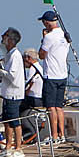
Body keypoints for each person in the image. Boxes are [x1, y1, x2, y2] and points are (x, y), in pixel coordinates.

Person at [0, 27, 25, 157]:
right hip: (7, 93)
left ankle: (19, 148)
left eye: (4, 36)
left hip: (14, 94)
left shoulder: (15, 55)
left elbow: (11, 76)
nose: (2, 39)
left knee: (15, 121)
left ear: (10, 39)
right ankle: (8, 147)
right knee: (7, 121)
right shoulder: (9, 55)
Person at [38, 10, 71, 143]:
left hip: (51, 75)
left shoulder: (49, 37)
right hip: (62, 74)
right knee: (59, 107)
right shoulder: (65, 35)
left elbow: (41, 55)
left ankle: (55, 135)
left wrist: (43, 38)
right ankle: (62, 135)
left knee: (51, 107)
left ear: (47, 23)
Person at [21, 47, 46, 144]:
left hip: (34, 99)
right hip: (40, 97)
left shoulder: (32, 68)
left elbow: (30, 85)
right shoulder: (39, 67)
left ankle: (28, 135)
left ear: (28, 58)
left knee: (14, 110)